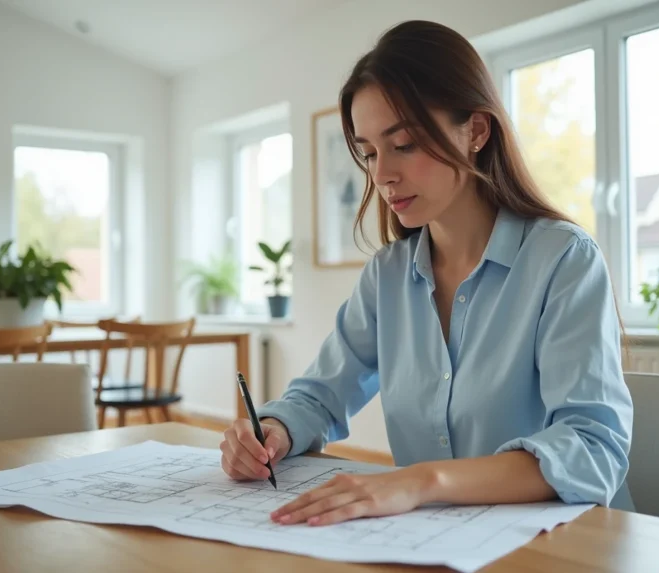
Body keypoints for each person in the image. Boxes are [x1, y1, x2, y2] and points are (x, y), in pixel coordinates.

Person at [219, 19, 634, 527]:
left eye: (406, 144)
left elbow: (593, 449)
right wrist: (274, 429)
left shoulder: (564, 259)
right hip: (432, 543)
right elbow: (320, 394)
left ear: (477, 131)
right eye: (369, 152)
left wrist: (421, 480)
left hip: (560, 543)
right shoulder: (388, 275)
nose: (382, 175)